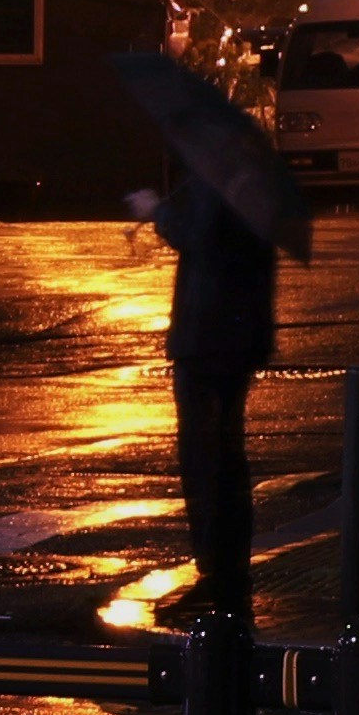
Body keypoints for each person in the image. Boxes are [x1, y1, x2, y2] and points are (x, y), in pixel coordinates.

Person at [131, 163, 280, 616]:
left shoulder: (218, 180)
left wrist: (155, 210)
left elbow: (198, 235)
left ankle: (217, 576)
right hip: (239, 336)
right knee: (226, 458)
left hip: (207, 338)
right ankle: (228, 575)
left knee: (205, 460)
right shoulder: (255, 181)